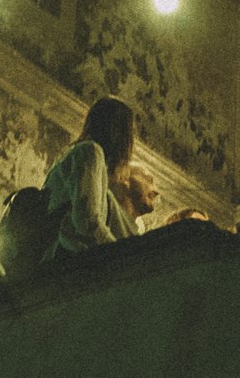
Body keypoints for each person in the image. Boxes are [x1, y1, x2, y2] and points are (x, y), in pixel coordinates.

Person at [42, 96, 139, 260]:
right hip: (64, 259)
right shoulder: (90, 152)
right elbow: (87, 221)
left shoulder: (78, 154)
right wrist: (117, 256)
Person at [108, 163, 160, 235]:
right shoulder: (108, 217)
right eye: (149, 180)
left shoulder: (136, 232)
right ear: (125, 182)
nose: (157, 191)